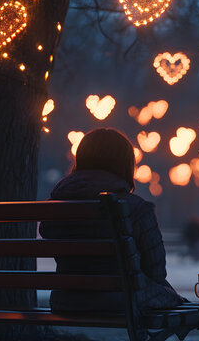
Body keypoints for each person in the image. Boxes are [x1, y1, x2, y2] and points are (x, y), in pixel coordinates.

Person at [40, 128, 184, 311]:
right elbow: (156, 272)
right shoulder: (136, 208)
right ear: (125, 164)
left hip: (66, 300)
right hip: (122, 301)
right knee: (173, 299)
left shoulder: (56, 205)